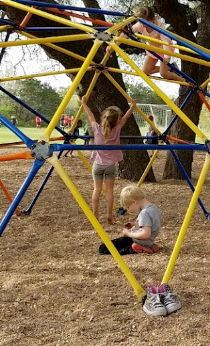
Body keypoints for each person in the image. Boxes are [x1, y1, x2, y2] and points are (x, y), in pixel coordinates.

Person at [97, 185, 179, 317]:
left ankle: (139, 248)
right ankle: (150, 246)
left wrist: (129, 233)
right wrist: (134, 224)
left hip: (140, 240)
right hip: (148, 239)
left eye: (129, 207)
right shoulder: (153, 208)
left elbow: (145, 233)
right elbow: (147, 225)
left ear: (134, 202)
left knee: (104, 248)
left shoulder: (145, 213)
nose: (130, 210)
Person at [81, 97, 136, 224]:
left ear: (104, 118)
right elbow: (126, 118)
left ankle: (95, 215)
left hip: (97, 165)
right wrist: (132, 106)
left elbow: (90, 115)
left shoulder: (96, 128)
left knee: (97, 190)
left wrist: (84, 103)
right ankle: (109, 215)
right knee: (109, 191)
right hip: (110, 165)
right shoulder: (116, 129)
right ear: (116, 121)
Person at [131, 7, 181, 81]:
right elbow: (126, 32)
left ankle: (182, 80)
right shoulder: (139, 25)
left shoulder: (159, 25)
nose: (144, 25)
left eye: (146, 23)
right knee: (145, 72)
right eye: (142, 22)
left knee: (164, 74)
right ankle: (171, 67)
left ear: (153, 19)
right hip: (153, 49)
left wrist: (167, 56)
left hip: (164, 49)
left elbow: (165, 40)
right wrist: (115, 43)